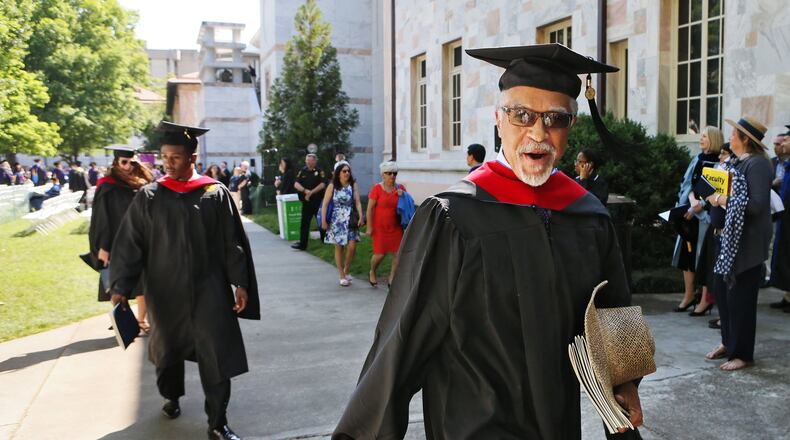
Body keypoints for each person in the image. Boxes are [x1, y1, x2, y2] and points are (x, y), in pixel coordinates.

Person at [333, 44, 643, 439]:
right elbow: (400, 344)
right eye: (522, 115)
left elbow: (614, 311)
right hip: (471, 424)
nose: (537, 133)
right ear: (499, 120)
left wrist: (626, 382)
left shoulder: (586, 216)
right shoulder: (453, 217)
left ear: (571, 126)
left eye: (555, 119)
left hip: (556, 423)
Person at [109, 121, 259, 440]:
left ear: (192, 158)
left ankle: (217, 423)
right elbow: (130, 243)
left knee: (217, 354)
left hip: (210, 290)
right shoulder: (149, 197)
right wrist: (121, 287)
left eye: (175, 157)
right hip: (165, 290)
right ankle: (171, 396)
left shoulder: (214, 193)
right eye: (164, 157)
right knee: (167, 353)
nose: (168, 163)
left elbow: (230, 241)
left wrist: (240, 282)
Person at [704, 117, 773, 371]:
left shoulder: (757, 165)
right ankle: (728, 344)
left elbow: (755, 206)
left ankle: (742, 354)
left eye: (734, 134)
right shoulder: (735, 162)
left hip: (747, 245)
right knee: (723, 296)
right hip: (727, 240)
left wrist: (721, 199)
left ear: (745, 139)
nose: (729, 137)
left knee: (741, 301)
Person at [89, 146, 154, 331]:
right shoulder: (107, 186)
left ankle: (142, 320)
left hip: (139, 240)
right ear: (116, 163)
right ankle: (124, 321)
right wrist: (103, 246)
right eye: (123, 162)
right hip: (115, 242)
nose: (127, 166)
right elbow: (101, 218)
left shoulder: (143, 182)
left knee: (143, 283)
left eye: (131, 162)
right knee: (115, 282)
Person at [671, 126, 722, 312]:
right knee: (687, 256)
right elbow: (689, 184)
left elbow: (714, 190)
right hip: (689, 213)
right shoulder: (698, 159)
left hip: (705, 218)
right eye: (701, 136)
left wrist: (697, 206)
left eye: (705, 136)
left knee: (703, 259)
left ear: (714, 139)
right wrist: (690, 202)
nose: (701, 139)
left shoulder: (719, 164)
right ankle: (689, 295)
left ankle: (705, 300)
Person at [695, 142, 731, 327]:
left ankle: (724, 316)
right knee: (711, 272)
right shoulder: (718, 169)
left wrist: (716, 198)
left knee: (724, 278)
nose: (720, 157)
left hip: (728, 232)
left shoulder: (732, 174)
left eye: (724, 154)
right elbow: (701, 189)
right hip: (715, 228)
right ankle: (720, 313)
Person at [321, 161, 364, 286]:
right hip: (337, 220)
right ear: (338, 173)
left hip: (350, 220)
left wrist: (361, 216)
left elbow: (357, 202)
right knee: (339, 247)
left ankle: (346, 269)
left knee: (352, 247)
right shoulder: (332, 186)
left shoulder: (353, 185)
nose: (347, 173)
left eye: (348, 171)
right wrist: (324, 221)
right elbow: (324, 204)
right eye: (344, 171)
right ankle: (341, 275)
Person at [366, 161, 405, 288]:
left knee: (398, 254)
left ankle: (392, 277)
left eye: (394, 173)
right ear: (383, 175)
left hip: (396, 227)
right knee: (379, 254)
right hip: (379, 227)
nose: (392, 176)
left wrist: (403, 196)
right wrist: (369, 226)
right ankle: (372, 270)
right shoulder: (377, 188)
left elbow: (407, 205)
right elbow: (370, 209)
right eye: (389, 173)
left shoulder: (400, 188)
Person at [770, 127, 790, 313]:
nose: (782, 144)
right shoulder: (780, 164)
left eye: (785, 141)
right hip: (782, 216)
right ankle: (787, 295)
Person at [292, 153, 327, 250]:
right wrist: (305, 191)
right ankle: (302, 244)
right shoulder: (302, 171)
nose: (308, 162)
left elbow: (323, 184)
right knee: (304, 224)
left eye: (310, 160)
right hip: (306, 202)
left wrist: (311, 192)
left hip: (317, 202)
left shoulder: (320, 171)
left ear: (315, 161)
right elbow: (296, 184)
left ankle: (325, 241)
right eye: (307, 161)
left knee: (320, 221)